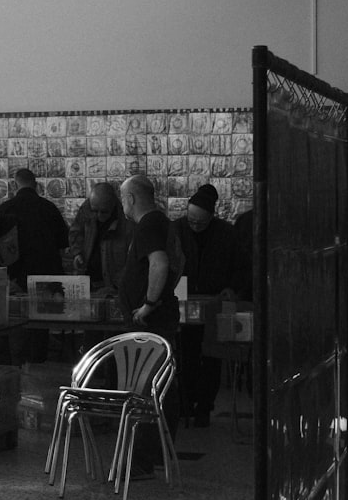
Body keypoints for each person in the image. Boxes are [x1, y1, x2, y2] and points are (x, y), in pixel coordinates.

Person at [117, 174, 180, 477]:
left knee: (145, 390)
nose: (122, 205)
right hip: (159, 321)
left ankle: (142, 460)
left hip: (151, 323)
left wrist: (148, 304)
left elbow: (160, 263)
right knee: (159, 389)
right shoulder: (160, 222)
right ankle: (156, 454)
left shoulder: (149, 225)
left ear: (130, 199)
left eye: (122, 198)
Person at [172, 183, 239, 427]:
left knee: (212, 355)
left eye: (200, 223)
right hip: (184, 301)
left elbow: (239, 266)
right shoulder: (177, 229)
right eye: (191, 220)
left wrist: (232, 287)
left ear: (212, 216)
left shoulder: (227, 233)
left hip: (214, 304)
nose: (195, 226)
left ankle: (204, 407)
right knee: (186, 354)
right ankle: (186, 403)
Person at [0, 168, 68, 363]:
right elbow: (62, 245)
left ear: (14, 185)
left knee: (16, 331)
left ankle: (18, 375)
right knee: (41, 330)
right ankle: (39, 374)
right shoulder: (49, 208)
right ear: (36, 184)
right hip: (47, 278)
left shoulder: (5, 209)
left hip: (15, 279)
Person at [67, 182, 133, 295]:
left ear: (113, 205)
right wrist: (77, 253)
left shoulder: (126, 219)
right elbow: (76, 232)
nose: (98, 215)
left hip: (115, 286)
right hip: (88, 281)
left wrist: (118, 286)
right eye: (95, 211)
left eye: (104, 211)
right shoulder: (86, 209)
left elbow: (131, 259)